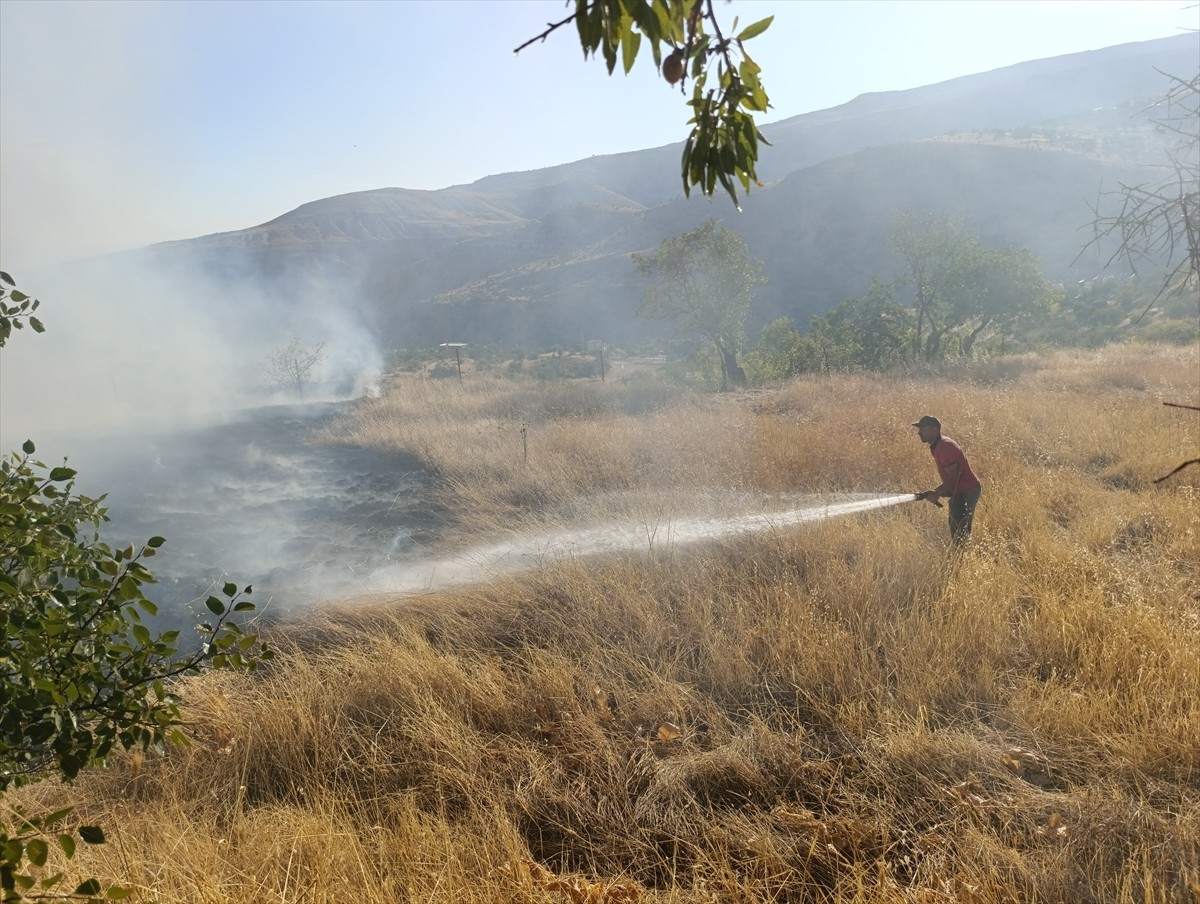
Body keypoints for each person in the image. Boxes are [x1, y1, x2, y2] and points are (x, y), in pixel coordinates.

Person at [913, 415, 981, 542]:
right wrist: (938, 492)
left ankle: (963, 558)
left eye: (922, 429)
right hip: (959, 490)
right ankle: (961, 556)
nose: (919, 433)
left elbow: (954, 477)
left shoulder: (945, 446)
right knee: (956, 528)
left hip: (968, 491)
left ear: (934, 430)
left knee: (961, 530)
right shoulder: (937, 445)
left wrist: (937, 493)